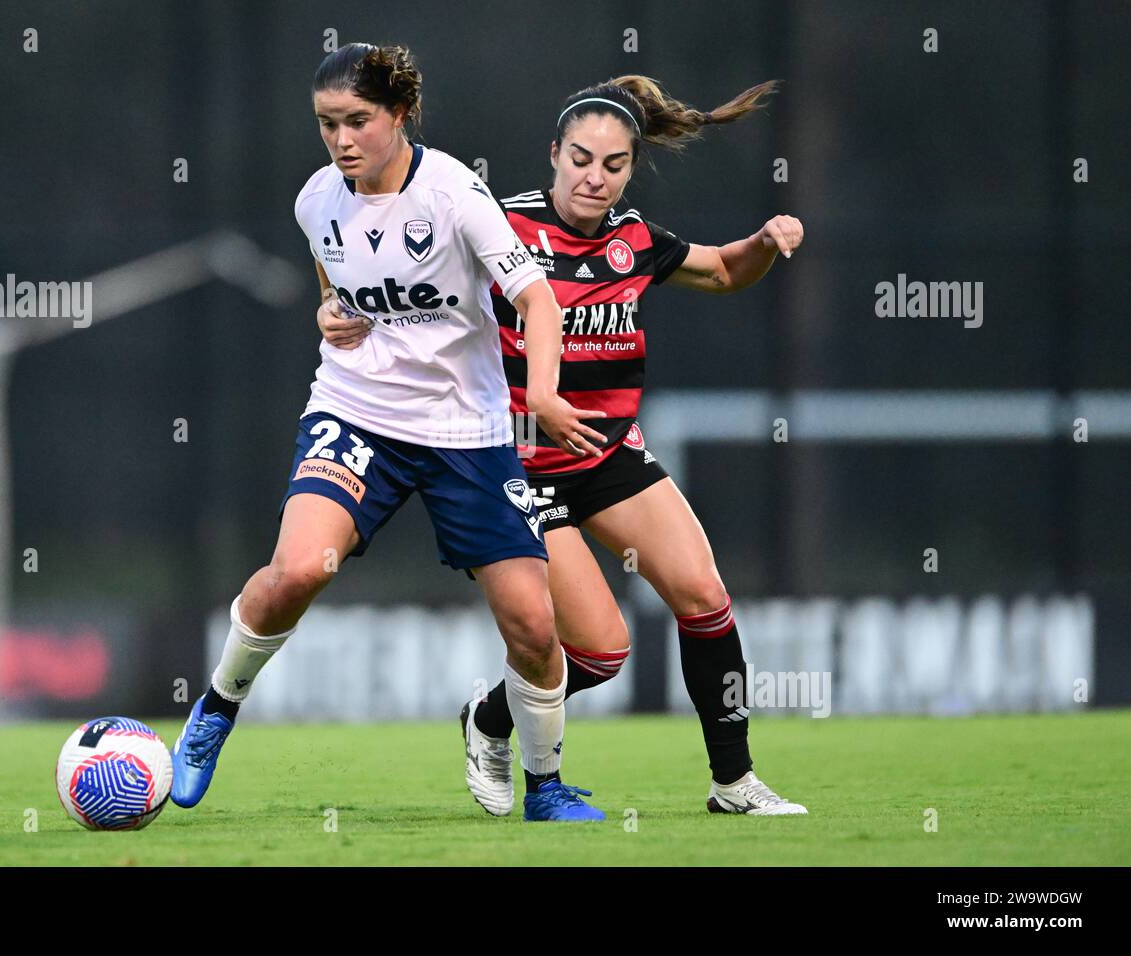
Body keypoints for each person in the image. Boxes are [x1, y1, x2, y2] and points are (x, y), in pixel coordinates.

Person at [319, 74, 808, 817]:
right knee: (603, 653)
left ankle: (733, 784)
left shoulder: (635, 240)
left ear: (629, 170)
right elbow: (399, 283)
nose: (594, 177)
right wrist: (335, 308)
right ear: (554, 153)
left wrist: (765, 243)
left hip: (608, 457)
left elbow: (727, 269)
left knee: (706, 598)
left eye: (613, 165)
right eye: (580, 158)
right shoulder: (498, 226)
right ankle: (490, 717)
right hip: (513, 466)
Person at [169, 43, 613, 822]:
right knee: (300, 571)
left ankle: (544, 786)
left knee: (537, 628)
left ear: (399, 115)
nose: (341, 141)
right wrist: (326, 312)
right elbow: (332, 277)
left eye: (358, 122)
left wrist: (539, 390)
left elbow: (538, 302)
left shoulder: (454, 194)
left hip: (467, 432)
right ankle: (215, 710)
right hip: (356, 414)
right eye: (326, 124)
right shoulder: (317, 199)